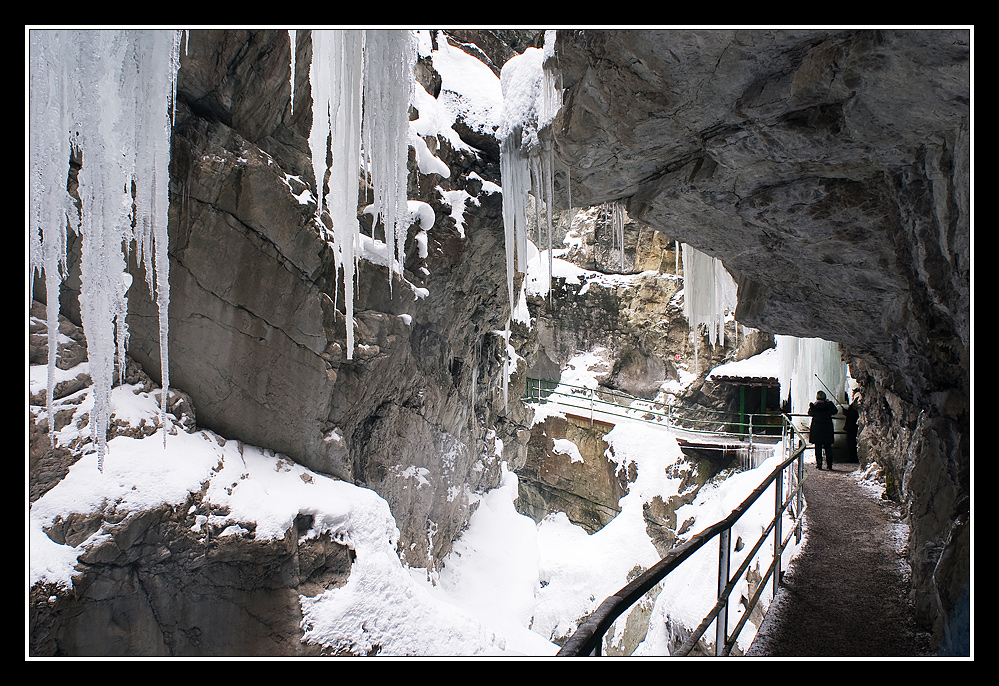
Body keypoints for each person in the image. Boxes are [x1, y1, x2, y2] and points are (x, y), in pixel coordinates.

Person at [808, 390, 837, 470]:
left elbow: (810, 413)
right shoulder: (829, 405)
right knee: (828, 447)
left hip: (817, 429)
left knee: (818, 447)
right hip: (827, 429)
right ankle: (829, 464)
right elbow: (835, 411)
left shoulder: (814, 406)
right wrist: (830, 403)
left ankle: (819, 463)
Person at [843, 393, 860, 462]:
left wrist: (845, 412)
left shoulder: (854, 405)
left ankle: (852, 457)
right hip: (854, 426)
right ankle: (853, 457)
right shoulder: (855, 404)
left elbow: (852, 415)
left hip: (851, 427)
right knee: (852, 443)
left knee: (851, 443)